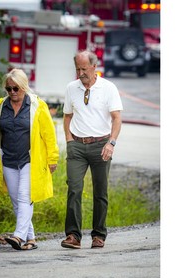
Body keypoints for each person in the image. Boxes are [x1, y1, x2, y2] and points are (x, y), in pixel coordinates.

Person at [0, 68, 59, 251]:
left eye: (16, 88)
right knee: (16, 201)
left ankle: (19, 236)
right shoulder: (0, 106)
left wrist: (53, 158)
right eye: (9, 88)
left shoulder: (37, 105)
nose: (12, 92)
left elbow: (49, 134)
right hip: (8, 160)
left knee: (24, 197)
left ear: (24, 87)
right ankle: (31, 238)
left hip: (30, 159)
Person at [61, 50, 123, 249]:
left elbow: (116, 118)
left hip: (101, 145)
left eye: (84, 69)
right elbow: (67, 116)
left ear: (94, 66)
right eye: (77, 69)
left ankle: (98, 236)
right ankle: (73, 235)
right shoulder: (71, 88)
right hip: (77, 146)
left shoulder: (108, 88)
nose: (80, 73)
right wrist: (69, 140)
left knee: (100, 192)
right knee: (74, 189)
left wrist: (111, 143)